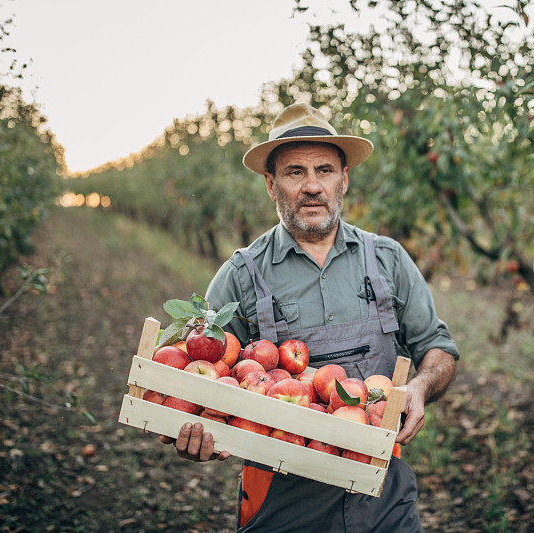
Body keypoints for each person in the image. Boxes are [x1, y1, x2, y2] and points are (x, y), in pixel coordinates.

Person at [160, 102, 459, 532]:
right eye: (295, 172)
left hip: (380, 489)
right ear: (271, 184)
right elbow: (203, 378)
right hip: (281, 496)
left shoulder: (387, 260)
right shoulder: (241, 276)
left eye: (324, 170)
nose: (312, 186)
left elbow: (438, 347)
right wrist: (195, 430)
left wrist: (419, 388)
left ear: (344, 179)